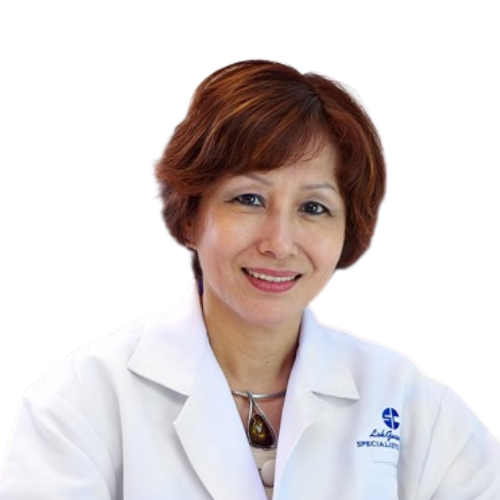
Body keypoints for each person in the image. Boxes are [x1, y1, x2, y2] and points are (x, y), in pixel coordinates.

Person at [0, 58, 498, 500]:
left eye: (314, 207)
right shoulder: (80, 403)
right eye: (249, 199)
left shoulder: (415, 405)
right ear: (190, 217)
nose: (279, 242)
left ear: (346, 231)